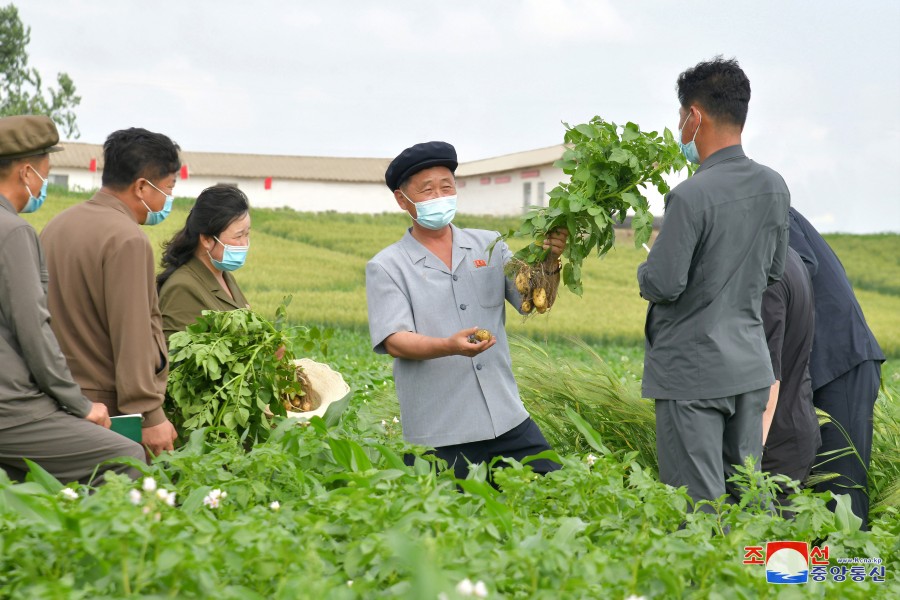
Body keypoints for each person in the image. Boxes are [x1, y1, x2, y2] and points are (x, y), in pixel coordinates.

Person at [637, 57, 790, 510]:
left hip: (692, 374)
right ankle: (770, 576)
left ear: (694, 116)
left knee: (699, 508)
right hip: (748, 367)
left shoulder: (690, 195)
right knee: (749, 500)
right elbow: (774, 271)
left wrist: (646, 268)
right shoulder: (773, 185)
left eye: (680, 115)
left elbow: (663, 284)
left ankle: (708, 581)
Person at [366, 141, 566, 480]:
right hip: (441, 432)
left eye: (447, 187)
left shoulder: (489, 246)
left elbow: (531, 300)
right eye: (427, 190)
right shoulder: (387, 266)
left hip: (506, 418)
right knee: (452, 528)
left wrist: (548, 257)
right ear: (403, 200)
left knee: (557, 491)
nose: (440, 196)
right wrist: (449, 346)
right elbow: (395, 341)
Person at [0, 115, 144, 483]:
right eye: (46, 167)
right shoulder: (13, 232)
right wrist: (79, 405)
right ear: (26, 172)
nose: (46, 178)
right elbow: (33, 330)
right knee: (124, 455)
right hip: (11, 409)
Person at [40, 128, 180, 457]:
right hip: (109, 411)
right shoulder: (128, 239)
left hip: (56, 398)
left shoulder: (57, 226)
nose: (169, 200)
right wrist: (150, 415)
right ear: (142, 187)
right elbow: (132, 335)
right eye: (169, 188)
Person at [788, 207, 885, 528]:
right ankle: (822, 571)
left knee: (841, 494)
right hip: (820, 365)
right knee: (816, 490)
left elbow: (800, 266)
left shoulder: (767, 209)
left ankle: (850, 571)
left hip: (838, 361)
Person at [761, 247, 820, 505]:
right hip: (794, 424)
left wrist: (749, 461)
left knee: (771, 542)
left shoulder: (767, 276)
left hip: (775, 443)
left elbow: (767, 380)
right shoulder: (790, 255)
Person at [158, 184, 251, 341]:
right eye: (238, 236)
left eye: (247, 234)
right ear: (207, 239)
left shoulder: (225, 277)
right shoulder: (181, 287)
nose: (245, 244)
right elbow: (179, 359)